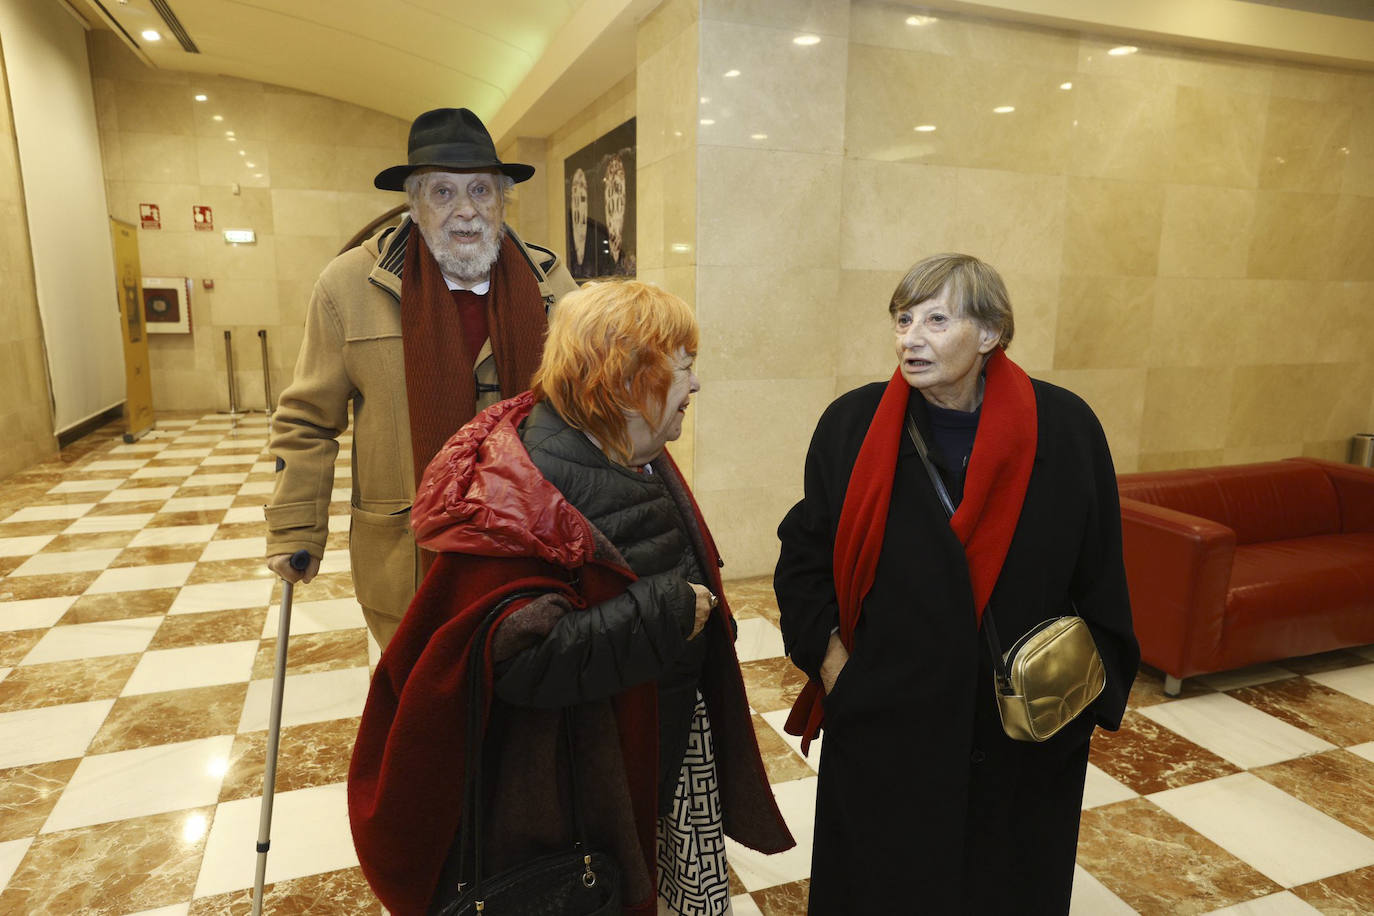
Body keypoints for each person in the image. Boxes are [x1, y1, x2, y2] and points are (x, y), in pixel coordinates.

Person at [348, 280, 794, 916]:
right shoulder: (533, 482)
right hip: (590, 774)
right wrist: (667, 612)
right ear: (623, 379)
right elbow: (519, 659)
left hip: (648, 732)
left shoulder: (620, 447)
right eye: (684, 367)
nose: (695, 386)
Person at [775, 254, 1139, 913]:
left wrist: (1081, 703)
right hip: (888, 722)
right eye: (903, 319)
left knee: (1002, 886)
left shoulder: (1066, 428)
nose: (910, 338)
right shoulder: (850, 427)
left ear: (991, 334)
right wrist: (837, 672)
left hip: (1017, 737)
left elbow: (1101, 571)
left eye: (937, 320)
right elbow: (804, 562)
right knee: (882, 886)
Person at [264, 107, 576, 648]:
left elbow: (587, 405)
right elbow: (307, 420)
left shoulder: (550, 282)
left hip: (533, 545)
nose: (465, 212)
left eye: (480, 191)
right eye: (442, 193)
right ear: (413, 201)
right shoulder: (350, 285)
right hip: (408, 557)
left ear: (503, 199)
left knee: (528, 713)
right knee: (423, 710)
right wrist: (295, 528)